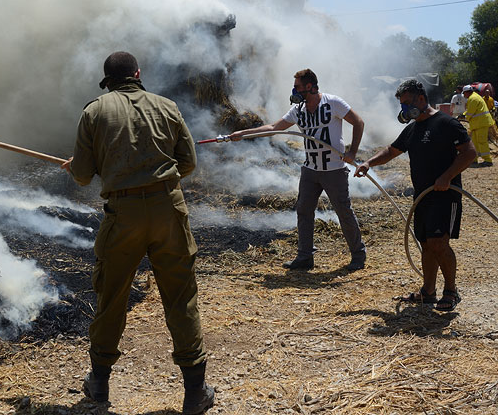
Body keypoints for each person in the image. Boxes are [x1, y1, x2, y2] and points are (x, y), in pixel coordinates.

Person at [62, 51, 214, 414]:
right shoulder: (167, 106)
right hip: (167, 209)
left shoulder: (94, 112)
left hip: (123, 215)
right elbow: (188, 163)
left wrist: (81, 167)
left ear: (107, 80)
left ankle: (98, 384)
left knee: (112, 295)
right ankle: (195, 392)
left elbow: (83, 174)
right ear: (138, 74)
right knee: (180, 296)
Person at [355, 79, 476, 311]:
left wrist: (447, 176)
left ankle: (451, 291)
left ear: (421, 99)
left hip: (445, 194)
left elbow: (469, 152)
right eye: (401, 105)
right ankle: (428, 292)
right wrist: (369, 163)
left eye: (407, 103)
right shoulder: (412, 129)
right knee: (426, 245)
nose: (404, 109)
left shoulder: (446, 123)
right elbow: (392, 150)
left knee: (439, 243)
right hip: (422, 196)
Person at [229, 68, 367, 271]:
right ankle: (305, 257)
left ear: (310, 87)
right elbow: (274, 127)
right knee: (303, 210)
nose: (294, 91)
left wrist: (352, 152)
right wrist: (244, 133)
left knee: (343, 211)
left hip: (334, 170)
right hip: (310, 170)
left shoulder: (333, 103)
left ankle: (358, 255)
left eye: (297, 87)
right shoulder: (299, 110)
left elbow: (358, 122)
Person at [463, 84, 494, 167]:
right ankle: (474, 160)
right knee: (474, 143)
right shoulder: (474, 97)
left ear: (467, 92)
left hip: (481, 123)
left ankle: (488, 160)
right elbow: (471, 111)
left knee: (482, 141)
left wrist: (464, 116)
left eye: (464, 93)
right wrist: (463, 114)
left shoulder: (473, 98)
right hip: (478, 123)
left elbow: (470, 112)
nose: (463, 95)